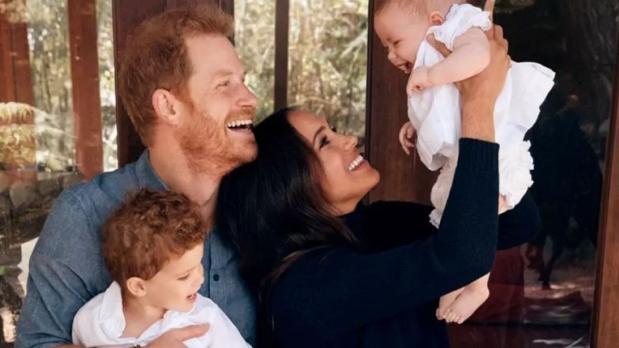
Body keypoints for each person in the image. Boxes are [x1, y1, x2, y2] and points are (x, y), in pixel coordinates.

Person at [216, 25, 539, 347]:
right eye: (325, 142)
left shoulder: (378, 223)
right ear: (287, 185)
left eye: (335, 129)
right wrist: (477, 105)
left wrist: (457, 121)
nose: (350, 140)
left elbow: (514, 224)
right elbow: (463, 257)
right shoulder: (306, 287)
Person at [16, 5, 258, 348]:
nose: (250, 98)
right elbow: (36, 343)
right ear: (168, 107)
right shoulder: (84, 215)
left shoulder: (262, 203)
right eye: (225, 84)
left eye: (243, 82)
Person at [372, 0, 553, 323]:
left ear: (435, 19)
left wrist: (432, 73)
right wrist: (416, 124)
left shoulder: (459, 27)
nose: (391, 55)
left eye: (396, 43)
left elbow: (479, 56)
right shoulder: (430, 56)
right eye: (386, 47)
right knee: (455, 217)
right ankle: (457, 279)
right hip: (466, 153)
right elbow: (446, 104)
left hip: (496, 147)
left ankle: (477, 285)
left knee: (478, 216)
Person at [71, 189, 250, 348]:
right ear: (139, 286)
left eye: (199, 264)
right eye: (184, 276)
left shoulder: (205, 318)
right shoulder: (91, 322)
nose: (200, 278)